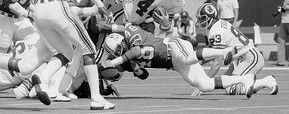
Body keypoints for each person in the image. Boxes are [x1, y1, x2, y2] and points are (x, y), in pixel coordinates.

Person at [100, 24, 256, 99]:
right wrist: (136, 70)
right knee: (204, 84)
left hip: (174, 47)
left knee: (187, 58)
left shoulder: (131, 33)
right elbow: (144, 75)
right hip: (173, 63)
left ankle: (225, 51)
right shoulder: (127, 60)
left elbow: (136, 50)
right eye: (116, 54)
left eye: (118, 50)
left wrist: (112, 63)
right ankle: (244, 79)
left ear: (121, 43)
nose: (118, 55)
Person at [191, 3, 278, 96]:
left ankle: (266, 81)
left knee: (231, 89)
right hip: (240, 58)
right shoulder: (219, 24)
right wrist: (198, 61)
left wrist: (203, 84)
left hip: (250, 57)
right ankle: (255, 85)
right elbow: (214, 52)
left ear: (211, 18)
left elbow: (217, 62)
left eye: (203, 18)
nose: (200, 21)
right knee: (223, 82)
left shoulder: (215, 31)